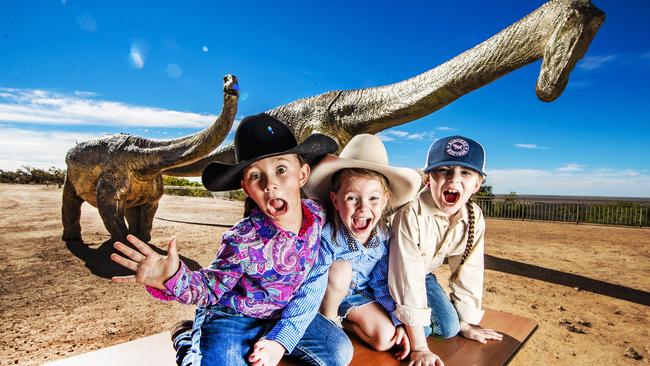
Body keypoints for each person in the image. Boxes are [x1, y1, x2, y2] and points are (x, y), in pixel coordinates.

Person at [110, 113, 352, 366]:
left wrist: (280, 340)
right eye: (256, 176)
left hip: (282, 311)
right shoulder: (240, 241)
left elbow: (319, 273)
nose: (270, 184)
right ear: (246, 187)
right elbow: (210, 288)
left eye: (281, 169)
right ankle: (186, 341)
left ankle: (265, 337)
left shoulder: (318, 216)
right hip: (234, 314)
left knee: (339, 351)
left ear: (302, 174)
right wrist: (171, 278)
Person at [301, 134, 421, 360]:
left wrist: (397, 319)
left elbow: (380, 281)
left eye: (373, 199)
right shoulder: (328, 234)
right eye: (352, 198)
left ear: (385, 200)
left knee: (386, 338)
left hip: (359, 297)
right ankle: (328, 322)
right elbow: (314, 277)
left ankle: (345, 322)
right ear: (336, 201)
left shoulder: (384, 237)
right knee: (341, 269)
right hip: (325, 296)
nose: (363, 208)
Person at [388, 135, 503, 366]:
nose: (454, 179)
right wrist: (420, 346)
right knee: (417, 332)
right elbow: (406, 276)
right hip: (388, 274)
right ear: (429, 178)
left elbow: (469, 270)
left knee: (450, 328)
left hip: (423, 274)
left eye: (466, 173)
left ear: (477, 183)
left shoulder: (474, 217)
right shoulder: (410, 213)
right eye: (444, 170)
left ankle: (415, 324)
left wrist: (467, 322)